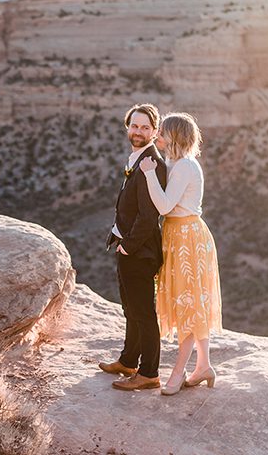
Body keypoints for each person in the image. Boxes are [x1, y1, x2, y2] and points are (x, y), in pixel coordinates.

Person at [138, 112, 223, 395]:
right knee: (191, 302)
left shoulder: (185, 166)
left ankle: (179, 371)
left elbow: (163, 206)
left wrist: (149, 174)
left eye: (162, 131)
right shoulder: (176, 163)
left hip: (187, 238)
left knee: (188, 304)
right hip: (177, 235)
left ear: (174, 135)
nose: (157, 136)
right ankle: (204, 366)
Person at [101, 103, 169, 391]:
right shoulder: (138, 158)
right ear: (127, 127)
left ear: (154, 131)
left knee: (143, 312)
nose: (138, 131)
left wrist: (128, 246)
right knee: (130, 308)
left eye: (144, 127)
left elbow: (149, 215)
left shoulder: (153, 164)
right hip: (128, 247)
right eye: (134, 126)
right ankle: (129, 360)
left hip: (140, 251)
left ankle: (150, 372)